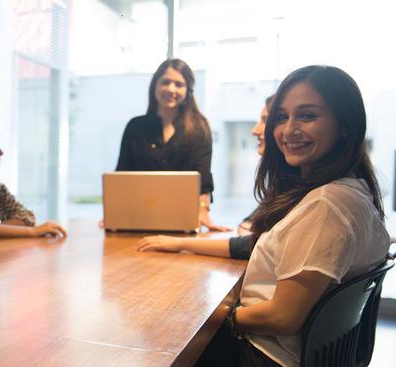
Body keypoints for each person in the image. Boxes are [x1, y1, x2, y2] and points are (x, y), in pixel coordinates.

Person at [195, 65, 390, 367]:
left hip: (266, 355)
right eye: (282, 117)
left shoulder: (327, 205)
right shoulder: (354, 190)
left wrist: (226, 317)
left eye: (308, 116)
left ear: (345, 126)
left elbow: (282, 317)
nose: (288, 130)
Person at [135, 95, 275, 258]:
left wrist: (179, 243)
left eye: (265, 120)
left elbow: (252, 245)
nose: (255, 130)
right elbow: (249, 224)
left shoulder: (293, 186)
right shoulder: (279, 183)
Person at [116, 58, 227, 231]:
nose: (171, 89)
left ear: (188, 90)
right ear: (155, 86)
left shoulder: (199, 126)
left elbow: (203, 176)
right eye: (165, 82)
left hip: (183, 221)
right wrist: (114, 213)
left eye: (179, 84)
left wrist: (203, 210)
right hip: (137, 220)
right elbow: (121, 175)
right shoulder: (135, 126)